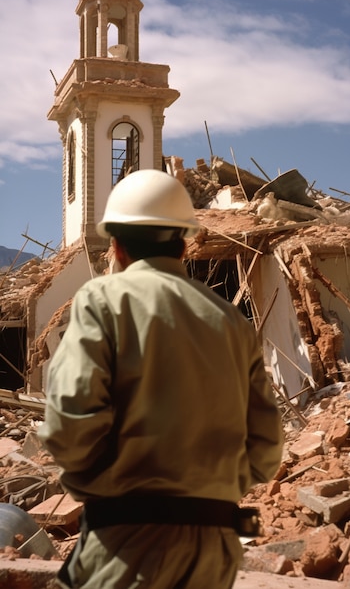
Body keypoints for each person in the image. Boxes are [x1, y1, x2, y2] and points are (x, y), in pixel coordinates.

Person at [38, 169, 283, 589]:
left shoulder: (103, 301)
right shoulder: (230, 321)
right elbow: (265, 451)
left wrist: (102, 484)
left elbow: (68, 426)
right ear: (184, 245)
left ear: (115, 246)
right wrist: (210, 488)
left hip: (127, 543)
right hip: (216, 550)